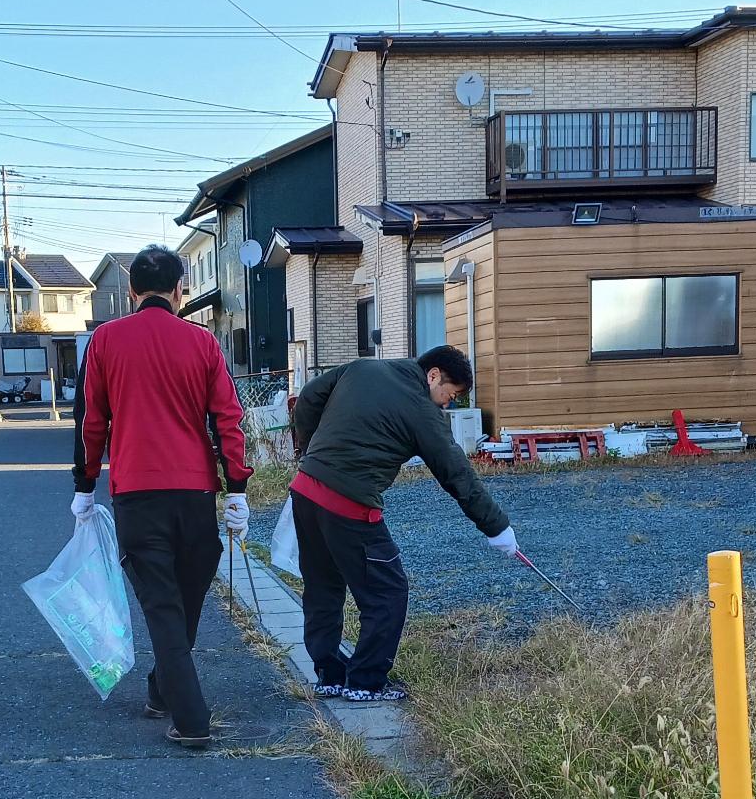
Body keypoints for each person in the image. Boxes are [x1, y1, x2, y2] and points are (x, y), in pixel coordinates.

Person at [71, 244, 252, 750]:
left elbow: (92, 422)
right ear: (180, 291)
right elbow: (227, 419)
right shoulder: (203, 343)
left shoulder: (105, 341)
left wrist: (84, 487)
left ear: (131, 293)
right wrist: (236, 488)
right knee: (184, 602)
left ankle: (190, 717)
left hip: (137, 494)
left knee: (162, 605)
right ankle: (162, 689)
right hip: (196, 493)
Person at [288, 346, 515, 702]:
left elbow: (307, 400)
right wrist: (496, 527)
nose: (447, 404)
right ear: (434, 375)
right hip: (349, 500)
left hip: (305, 489)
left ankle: (329, 674)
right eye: (450, 395)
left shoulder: (361, 367)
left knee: (322, 585)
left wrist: (311, 449)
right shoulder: (421, 410)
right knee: (387, 592)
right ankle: (365, 682)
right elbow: (456, 472)